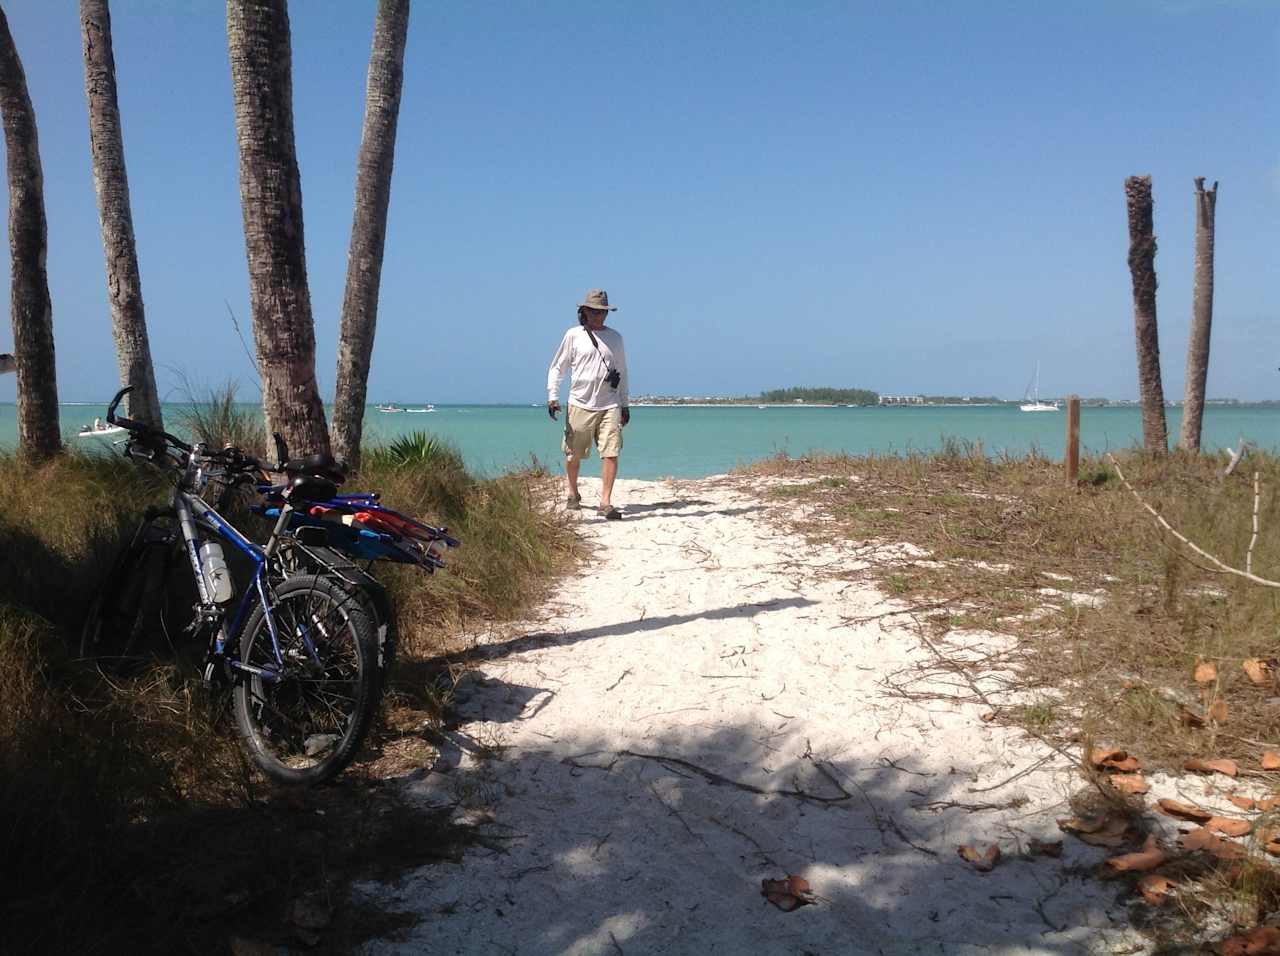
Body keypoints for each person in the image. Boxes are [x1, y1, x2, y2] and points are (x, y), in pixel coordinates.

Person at [547, 288, 630, 519]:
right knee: (573, 454)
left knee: (611, 452)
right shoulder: (573, 335)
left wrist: (624, 404)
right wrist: (552, 397)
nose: (598, 316)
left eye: (603, 312)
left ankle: (606, 502)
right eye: (594, 311)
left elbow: (622, 371)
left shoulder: (616, 338)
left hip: (609, 403)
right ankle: (573, 492)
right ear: (584, 311)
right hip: (580, 403)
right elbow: (558, 367)